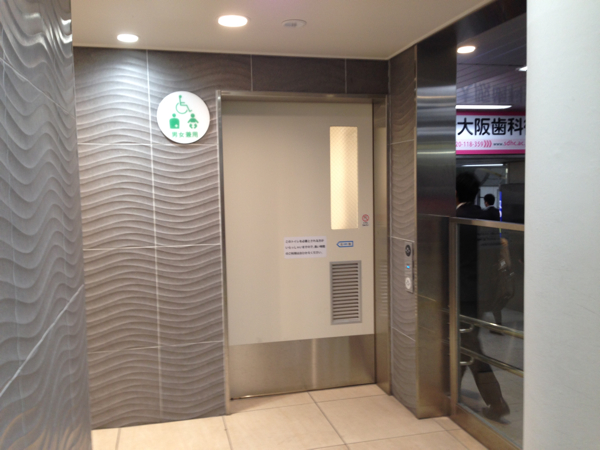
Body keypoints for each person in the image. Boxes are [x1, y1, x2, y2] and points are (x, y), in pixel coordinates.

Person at [456, 173, 510, 421]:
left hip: (461, 294)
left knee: (470, 347)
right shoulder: (487, 218)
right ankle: (449, 391)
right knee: (461, 345)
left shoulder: (456, 220)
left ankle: (497, 402)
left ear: (455, 193)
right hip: (482, 293)